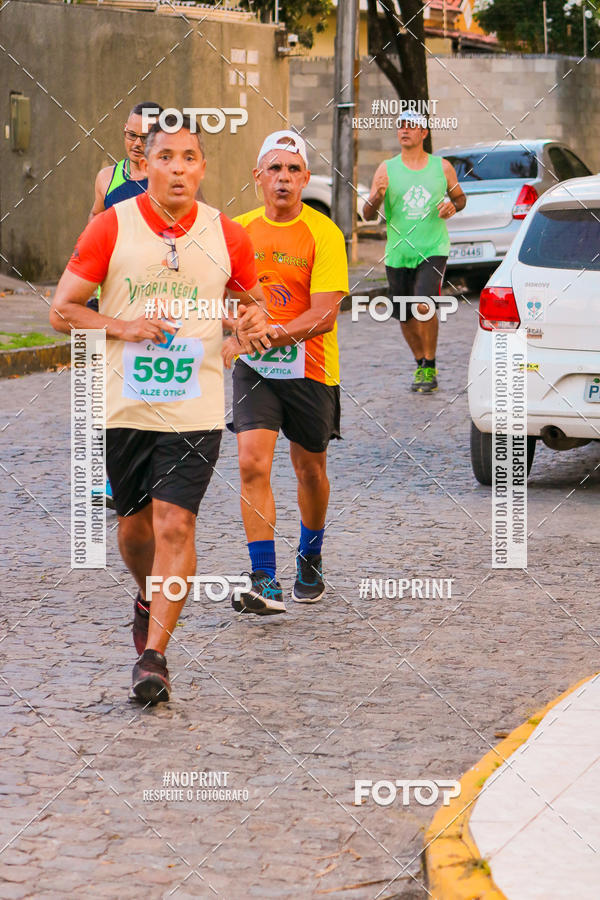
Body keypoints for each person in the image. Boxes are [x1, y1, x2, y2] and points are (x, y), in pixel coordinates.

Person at [50, 114, 273, 705]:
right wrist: (122, 325)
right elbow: (62, 310)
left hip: (195, 406)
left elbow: (252, 307)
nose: (178, 168)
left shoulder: (227, 234)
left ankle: (155, 657)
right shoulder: (110, 229)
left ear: (202, 167)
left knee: (176, 523)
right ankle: (147, 594)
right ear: (143, 165)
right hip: (125, 404)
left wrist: (249, 323)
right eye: (166, 157)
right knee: (135, 528)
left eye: (190, 157)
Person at [222, 130, 349, 615]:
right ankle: (264, 579)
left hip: (311, 368)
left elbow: (324, 316)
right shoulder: (236, 231)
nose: (284, 178)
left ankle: (311, 554)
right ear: (258, 176)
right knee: (251, 463)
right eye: (275, 169)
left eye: (294, 170)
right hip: (255, 369)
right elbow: (217, 299)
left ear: (305, 180)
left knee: (310, 470)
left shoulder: (324, 233)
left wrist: (267, 335)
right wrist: (236, 324)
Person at [363, 112, 466, 393]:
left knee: (423, 304)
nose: (405, 130)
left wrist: (453, 206)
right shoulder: (386, 169)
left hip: (432, 248)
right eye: (401, 126)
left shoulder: (441, 167)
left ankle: (430, 364)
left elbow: (460, 198)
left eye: (412, 126)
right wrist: (375, 198)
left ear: (424, 133)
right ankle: (420, 362)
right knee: (405, 314)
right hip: (398, 253)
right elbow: (367, 214)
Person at [89, 101, 163, 221]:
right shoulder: (106, 178)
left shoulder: (172, 180)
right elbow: (96, 215)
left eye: (145, 138)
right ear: (125, 130)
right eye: (132, 135)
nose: (137, 143)